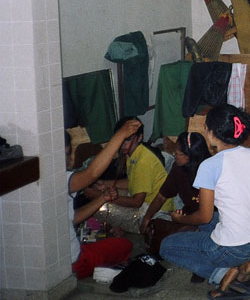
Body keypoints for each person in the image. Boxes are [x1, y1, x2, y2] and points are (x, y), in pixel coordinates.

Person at [160, 105, 250, 299]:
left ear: (210, 132)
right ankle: (243, 269)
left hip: (235, 247)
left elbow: (204, 215)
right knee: (211, 223)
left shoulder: (209, 166)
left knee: (166, 246)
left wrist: (180, 220)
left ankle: (223, 274)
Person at [66, 119, 141, 280]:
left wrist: (103, 198)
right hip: (72, 265)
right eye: (66, 153)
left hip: (62, 262)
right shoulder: (59, 179)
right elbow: (91, 174)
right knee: (125, 245)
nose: (69, 158)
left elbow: (72, 218)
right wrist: (121, 135)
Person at [139, 131, 212, 259]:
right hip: (187, 218)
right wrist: (147, 217)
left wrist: (181, 220)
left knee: (174, 245)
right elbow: (161, 196)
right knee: (158, 230)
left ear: (188, 156)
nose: (174, 155)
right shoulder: (178, 168)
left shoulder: (209, 170)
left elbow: (205, 216)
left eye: (177, 153)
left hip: (210, 220)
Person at [96, 117, 174, 233]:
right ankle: (120, 227)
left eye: (127, 140)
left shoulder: (143, 161)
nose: (122, 144)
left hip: (152, 212)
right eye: (121, 139)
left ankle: (124, 228)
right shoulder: (135, 152)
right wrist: (104, 183)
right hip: (143, 202)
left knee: (98, 208)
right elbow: (132, 182)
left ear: (140, 137)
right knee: (103, 195)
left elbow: (137, 202)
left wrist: (102, 197)